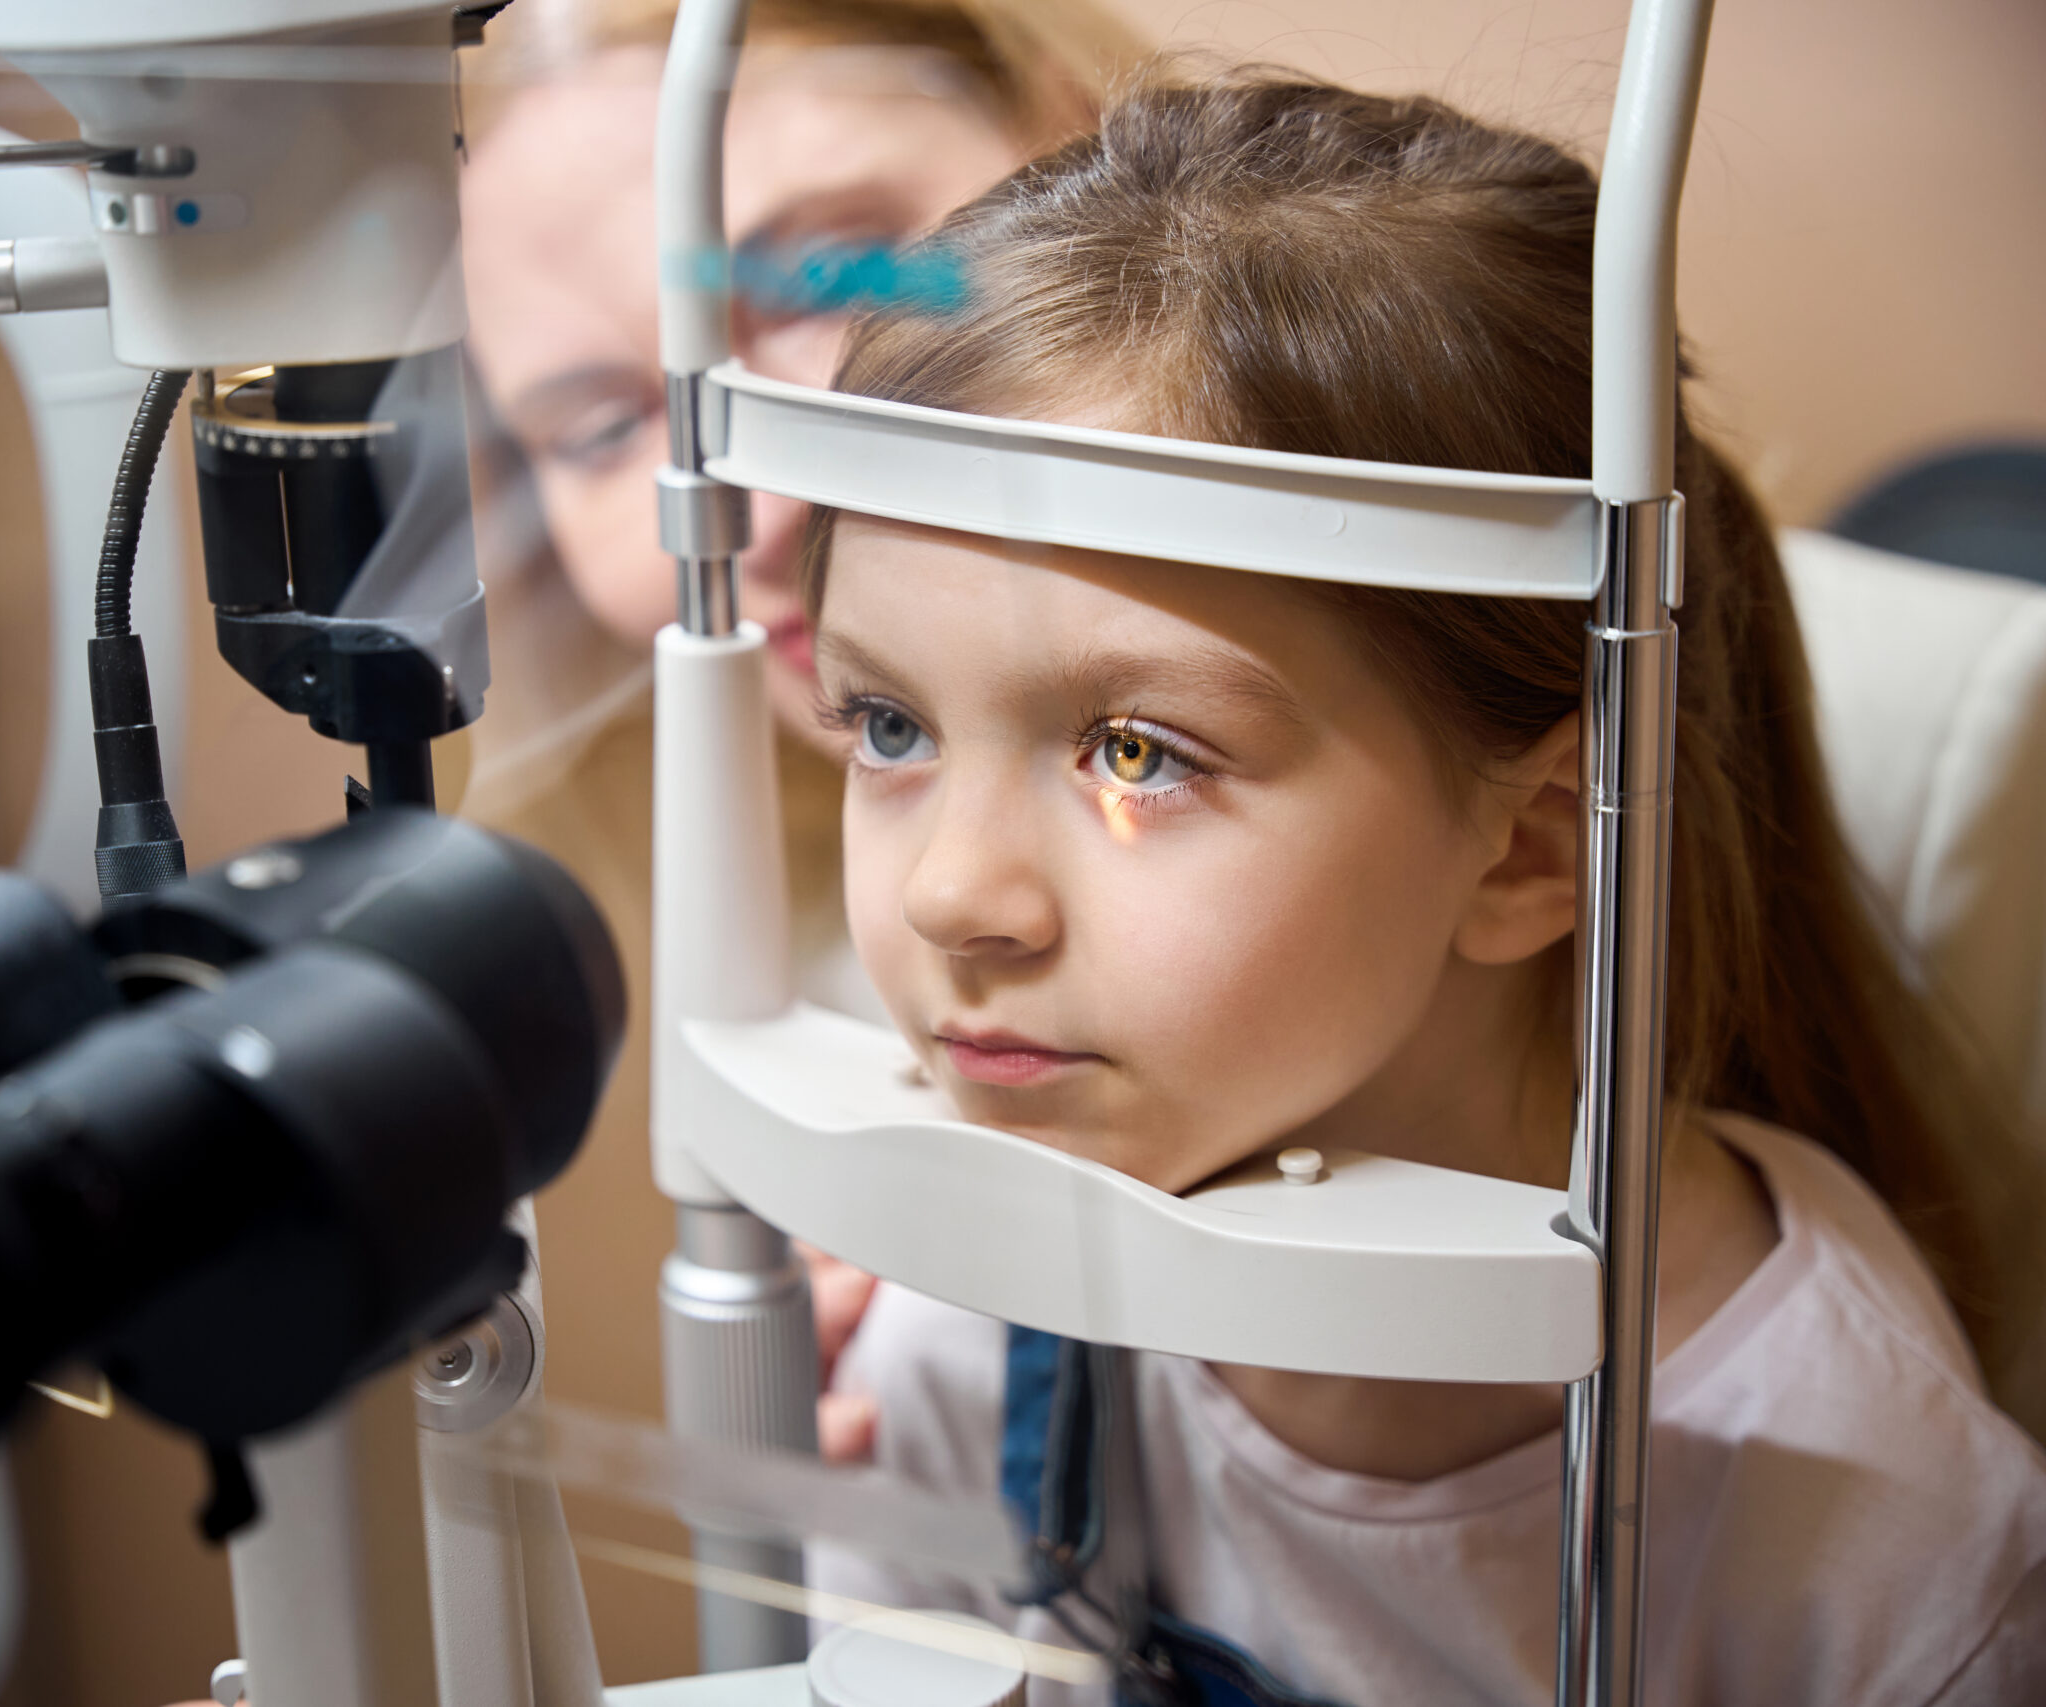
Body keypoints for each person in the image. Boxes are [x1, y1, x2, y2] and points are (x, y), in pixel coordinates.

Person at [800, 73, 2046, 1705]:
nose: (954, 894)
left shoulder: (1866, 1521)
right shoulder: (979, 1320)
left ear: (1534, 841)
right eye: (889, 724)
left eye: (1136, 752)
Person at [453, 0, 1146, 1485]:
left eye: (823, 279)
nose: (750, 511)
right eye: (590, 432)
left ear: (1081, 135)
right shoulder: (830, 969)